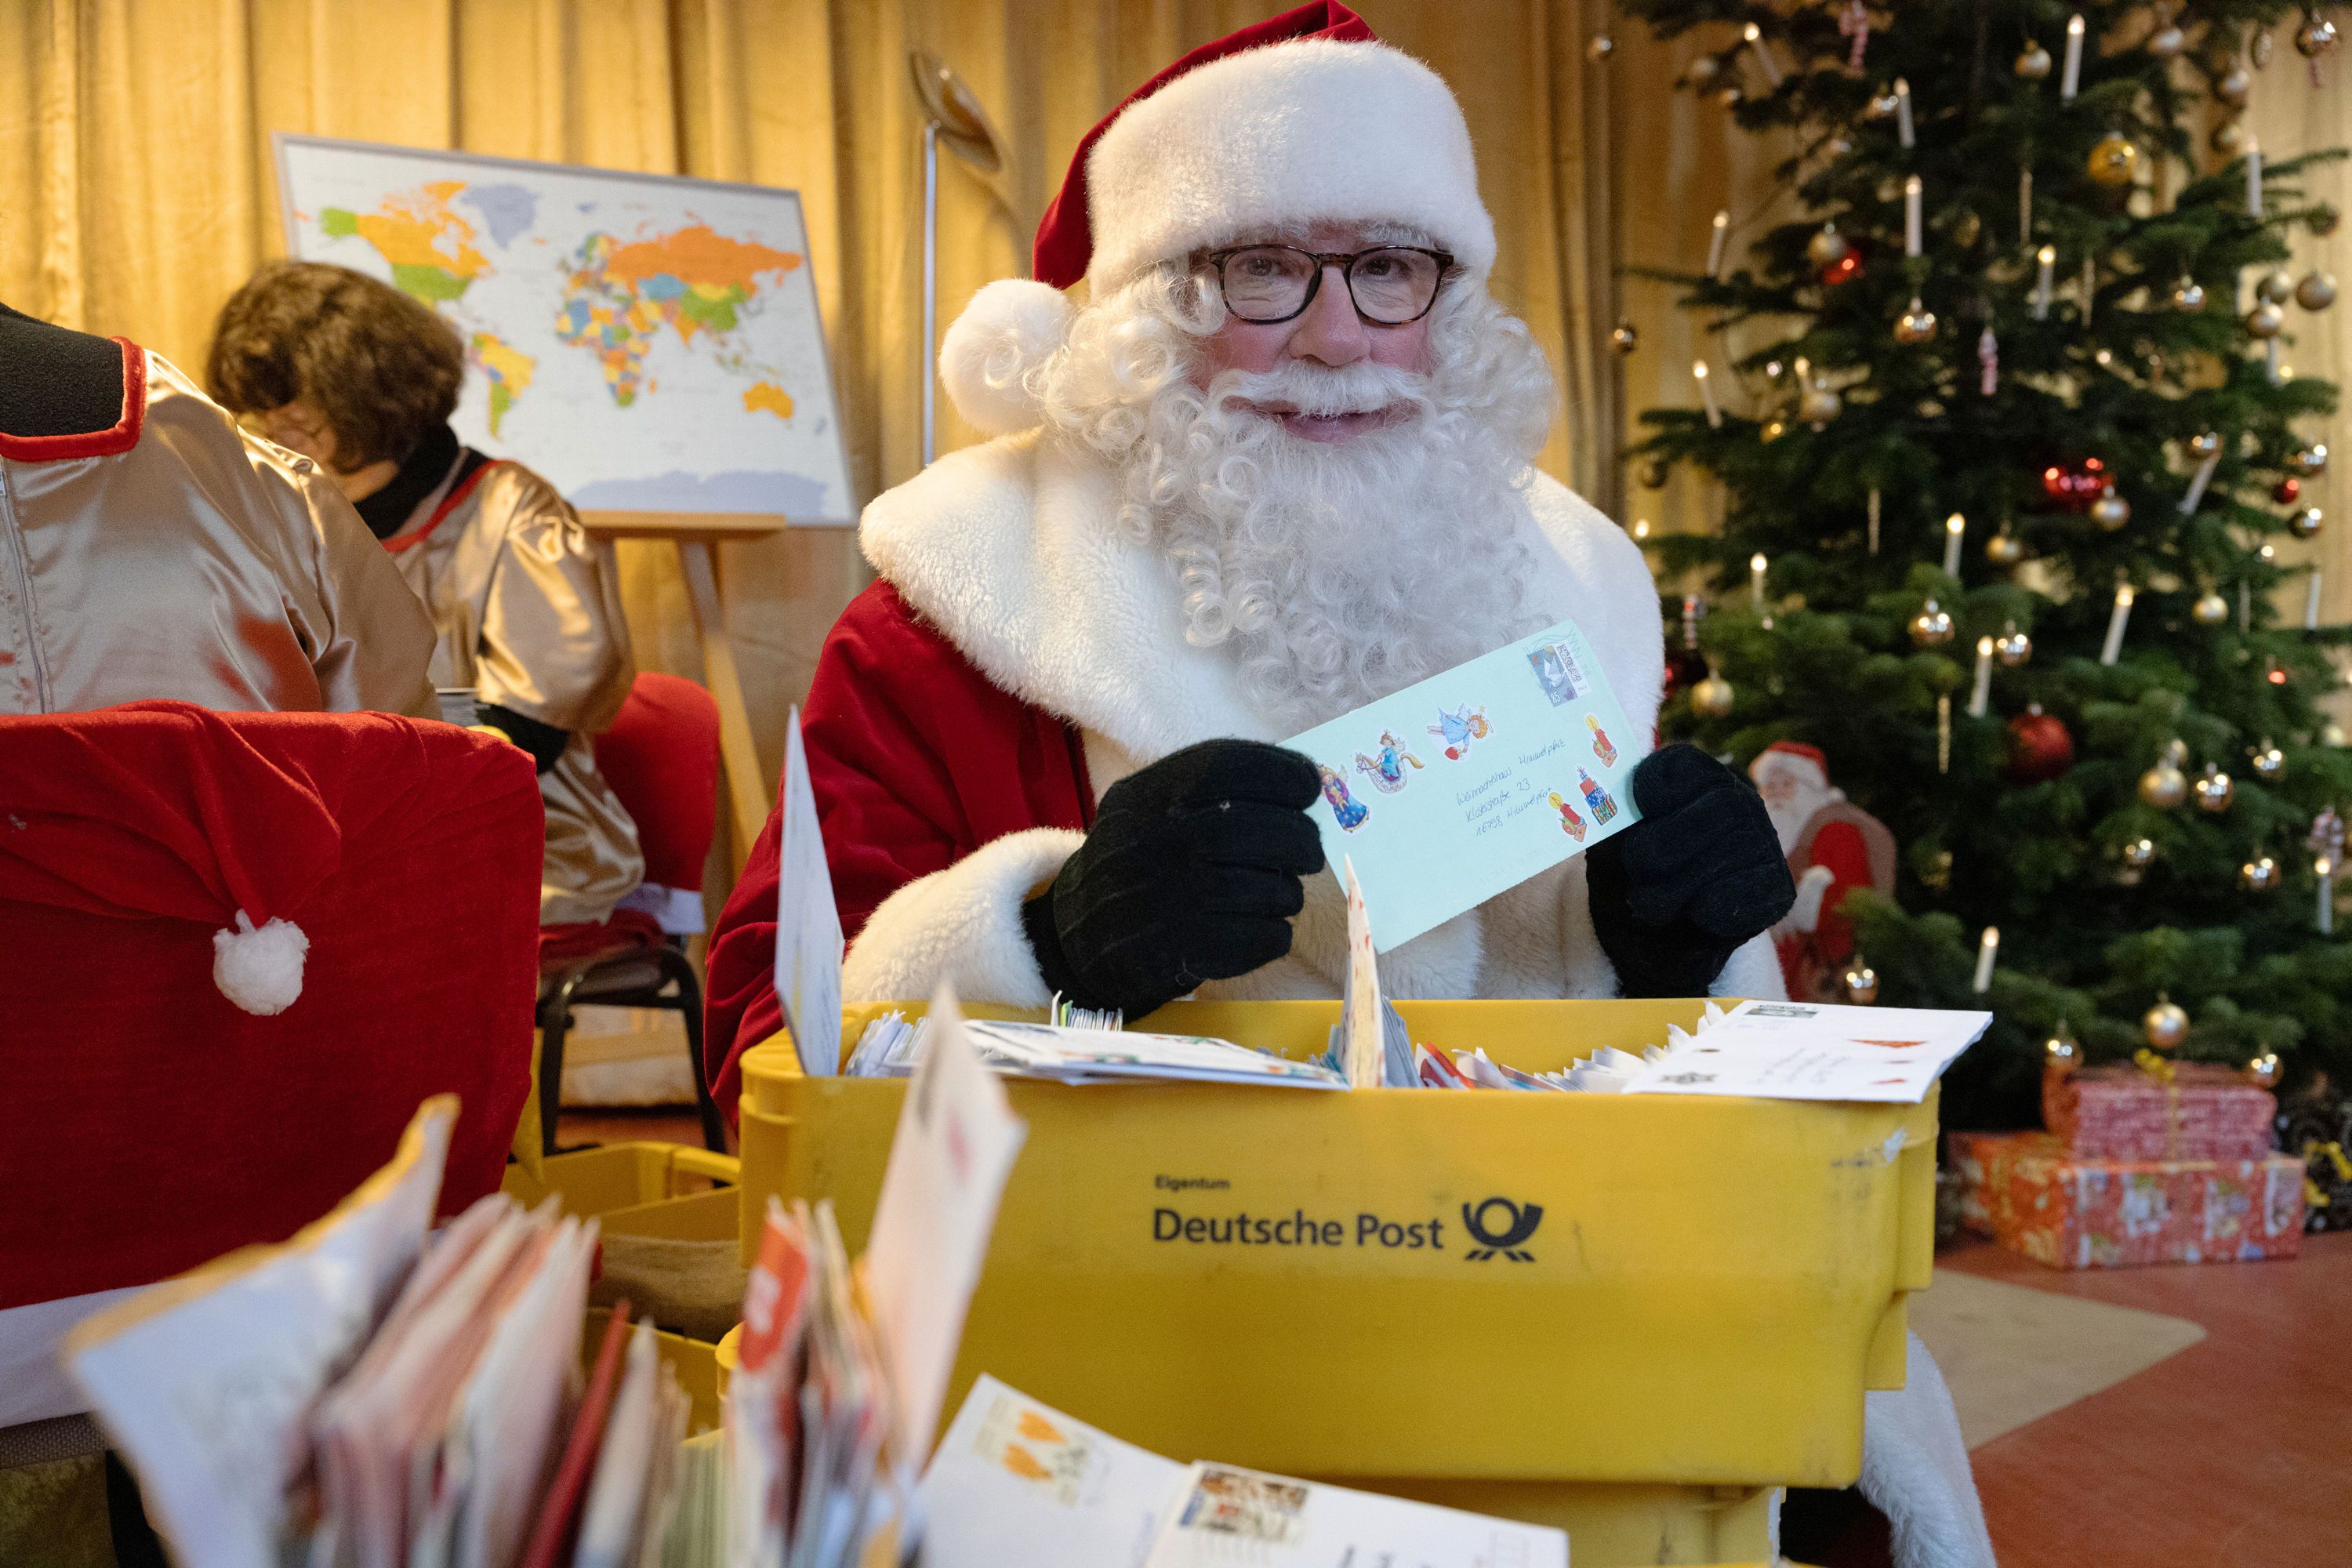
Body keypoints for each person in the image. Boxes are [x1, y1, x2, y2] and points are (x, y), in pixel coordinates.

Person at [703, 3, 1794, 1095]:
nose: (1338, 338)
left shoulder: (1577, 579)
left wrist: (1672, 959)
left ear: (1444, 303)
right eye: (1262, 270)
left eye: (1389, 267)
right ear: (1152, 312)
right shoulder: (953, 606)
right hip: (1129, 1247)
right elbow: (760, 1048)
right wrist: (1046, 947)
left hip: (1521, 1242)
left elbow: (1660, 1082)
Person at [207, 262, 644, 928]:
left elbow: (529, 729)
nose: (273, 442)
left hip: (519, 837)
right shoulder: (282, 516)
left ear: (369, 401)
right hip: (338, 831)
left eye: (296, 422)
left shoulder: (511, 511)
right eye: (261, 421)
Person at [0, 301, 434, 717]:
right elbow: (399, 740)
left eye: (291, 407)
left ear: (364, 394)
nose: (278, 429)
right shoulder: (262, 483)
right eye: (260, 411)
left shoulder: (492, 508)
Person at [1751, 740, 1897, 1003]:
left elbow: (1848, 906)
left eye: (1786, 785)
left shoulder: (1836, 830)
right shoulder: (1770, 835)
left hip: (1821, 971)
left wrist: (1807, 903)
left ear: (1809, 789)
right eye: (1769, 787)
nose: (1776, 795)